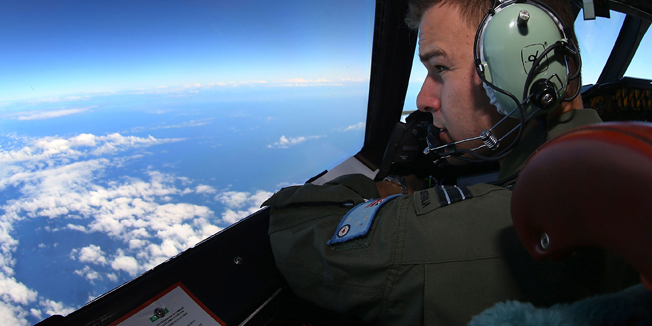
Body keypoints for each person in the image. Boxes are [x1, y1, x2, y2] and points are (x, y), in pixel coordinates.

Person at [263, 0, 639, 325]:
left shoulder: (497, 231)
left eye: (439, 68)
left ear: (526, 71)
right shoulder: (614, 164)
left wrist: (391, 189)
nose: (424, 99)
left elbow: (292, 229)